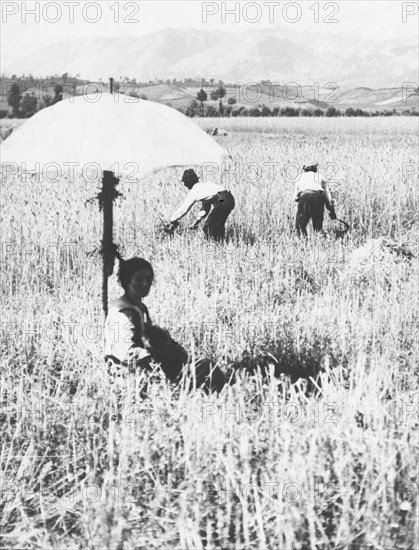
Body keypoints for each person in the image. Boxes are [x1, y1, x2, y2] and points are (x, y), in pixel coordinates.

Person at [104, 257, 155, 378]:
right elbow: (126, 353)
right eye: (139, 279)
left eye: (148, 279)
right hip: (125, 377)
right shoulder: (123, 312)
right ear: (127, 281)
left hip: (140, 372)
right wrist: (159, 355)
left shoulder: (139, 307)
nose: (145, 283)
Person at [168, 169, 235, 241]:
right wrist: (196, 222)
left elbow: (184, 209)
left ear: (188, 183)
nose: (185, 185)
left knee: (209, 227)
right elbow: (205, 208)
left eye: (185, 183)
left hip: (222, 200)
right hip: (228, 199)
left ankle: (213, 245)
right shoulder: (203, 186)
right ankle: (220, 244)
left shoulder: (195, 191)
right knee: (218, 224)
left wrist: (172, 219)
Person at [294, 162, 337, 237]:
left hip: (304, 197)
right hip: (318, 197)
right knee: (318, 226)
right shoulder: (320, 177)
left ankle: (304, 243)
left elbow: (295, 197)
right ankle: (319, 242)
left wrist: (301, 203)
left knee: (300, 226)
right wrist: (331, 211)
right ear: (315, 168)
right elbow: (328, 197)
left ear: (305, 169)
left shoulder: (299, 177)